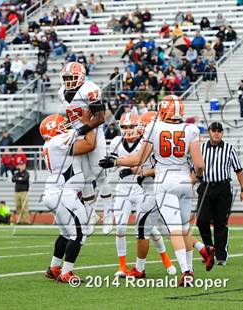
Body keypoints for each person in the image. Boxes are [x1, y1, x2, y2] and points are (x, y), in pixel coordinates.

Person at [99, 95, 207, 286]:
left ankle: (187, 272)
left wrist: (116, 161)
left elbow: (138, 159)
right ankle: (193, 261)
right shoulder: (191, 129)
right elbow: (199, 165)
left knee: (173, 231)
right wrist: (195, 179)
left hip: (164, 182)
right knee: (183, 229)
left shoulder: (154, 128)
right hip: (184, 181)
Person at [106, 112, 175, 278]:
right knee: (120, 228)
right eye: (124, 127)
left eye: (131, 127)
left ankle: (166, 259)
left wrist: (126, 164)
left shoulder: (146, 142)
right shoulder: (116, 142)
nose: (128, 130)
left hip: (141, 189)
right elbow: (113, 166)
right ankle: (122, 266)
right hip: (123, 189)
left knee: (147, 229)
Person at [40, 112, 98, 283]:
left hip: (57, 192)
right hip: (63, 193)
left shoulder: (53, 144)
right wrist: (88, 121)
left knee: (65, 233)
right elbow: (90, 144)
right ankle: (66, 273)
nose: (67, 127)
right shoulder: (58, 142)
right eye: (63, 125)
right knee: (80, 232)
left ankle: (54, 268)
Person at [58, 62, 113, 234]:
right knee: (83, 177)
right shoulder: (62, 92)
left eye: (71, 78)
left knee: (101, 174)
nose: (68, 81)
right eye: (66, 78)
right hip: (77, 135)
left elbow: (100, 118)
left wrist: (80, 129)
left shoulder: (90, 89)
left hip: (94, 133)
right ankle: (91, 215)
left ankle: (109, 213)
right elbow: (71, 116)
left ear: (81, 76)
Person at [196, 122, 243, 267]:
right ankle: (208, 250)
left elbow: (238, 170)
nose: (217, 133)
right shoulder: (200, 148)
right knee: (201, 221)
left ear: (222, 133)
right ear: (209, 132)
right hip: (206, 186)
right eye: (214, 130)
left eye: (219, 131)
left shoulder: (229, 149)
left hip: (223, 188)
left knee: (220, 223)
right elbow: (195, 170)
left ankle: (221, 256)